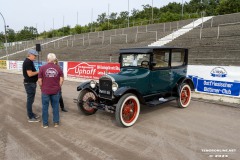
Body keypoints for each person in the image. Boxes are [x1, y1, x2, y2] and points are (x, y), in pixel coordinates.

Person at [38, 53, 64, 128]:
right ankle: (56, 123)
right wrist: (58, 87)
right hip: (55, 91)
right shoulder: (58, 68)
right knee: (55, 107)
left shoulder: (42, 68)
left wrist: (41, 87)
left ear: (47, 59)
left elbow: (39, 80)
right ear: (54, 59)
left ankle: (45, 124)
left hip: (45, 91)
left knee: (45, 107)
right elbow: (61, 80)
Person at [22, 49, 40, 122]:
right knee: (30, 101)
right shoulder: (28, 62)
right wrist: (38, 72)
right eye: (34, 55)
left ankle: (31, 114)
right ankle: (30, 117)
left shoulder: (29, 61)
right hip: (30, 84)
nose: (35, 57)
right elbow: (30, 74)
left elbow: (27, 74)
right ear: (30, 55)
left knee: (31, 100)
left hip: (30, 83)